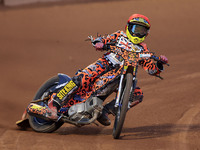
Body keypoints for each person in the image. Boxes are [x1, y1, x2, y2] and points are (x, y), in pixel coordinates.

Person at [30, 14, 168, 126]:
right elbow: (104, 40)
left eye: (142, 30)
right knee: (83, 77)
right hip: (105, 64)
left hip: (122, 74)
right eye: (136, 29)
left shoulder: (143, 49)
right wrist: (99, 42)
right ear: (128, 27)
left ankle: (106, 111)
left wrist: (159, 64)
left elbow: (152, 69)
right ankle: (54, 103)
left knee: (137, 95)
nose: (138, 33)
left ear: (146, 33)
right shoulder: (119, 36)